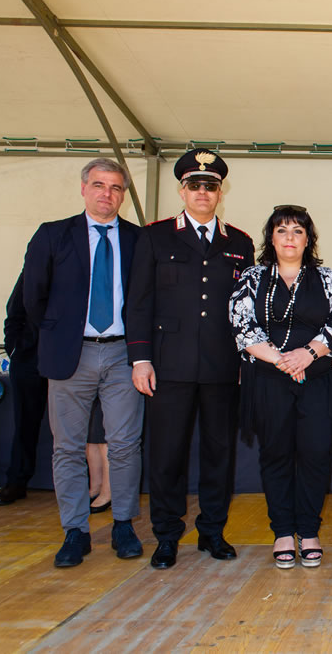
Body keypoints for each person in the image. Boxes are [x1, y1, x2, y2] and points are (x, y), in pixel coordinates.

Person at [126, 149, 255, 569]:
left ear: (220, 192)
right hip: (169, 365)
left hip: (222, 366)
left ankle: (212, 531)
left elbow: (246, 311)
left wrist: (245, 362)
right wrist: (140, 359)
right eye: (195, 185)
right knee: (167, 455)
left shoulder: (240, 243)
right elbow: (139, 303)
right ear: (182, 191)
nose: (203, 192)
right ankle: (166, 535)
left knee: (219, 454)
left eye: (211, 186)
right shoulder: (155, 237)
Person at [22, 158, 144, 567]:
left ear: (123, 194)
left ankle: (123, 524)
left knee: (125, 445)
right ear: (83, 188)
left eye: (115, 187)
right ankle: (75, 530)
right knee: (68, 448)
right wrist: (60, 334)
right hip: (70, 354)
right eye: (98, 185)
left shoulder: (138, 239)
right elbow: (33, 296)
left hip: (123, 354)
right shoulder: (53, 235)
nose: (106, 193)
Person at [229, 205, 332, 569]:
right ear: (271, 238)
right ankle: (282, 531)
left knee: (316, 454)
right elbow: (241, 324)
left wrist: (307, 354)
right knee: (276, 454)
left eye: (298, 231)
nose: (289, 238)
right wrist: (284, 360)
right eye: (282, 230)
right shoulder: (252, 278)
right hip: (269, 380)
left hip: (317, 379)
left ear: (308, 239)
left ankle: (309, 531)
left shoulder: (326, 278)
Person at [0, 270, 48, 506]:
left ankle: (84, 485)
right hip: (29, 357)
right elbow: (13, 311)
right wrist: (15, 348)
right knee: (25, 422)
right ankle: (16, 481)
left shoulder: (81, 268)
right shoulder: (33, 270)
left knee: (75, 426)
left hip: (70, 357)